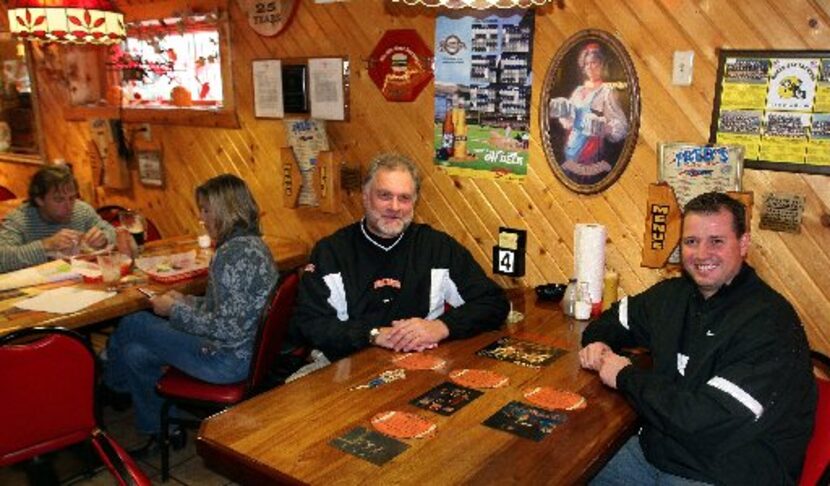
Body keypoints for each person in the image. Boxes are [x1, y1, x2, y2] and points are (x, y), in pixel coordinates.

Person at [579, 192, 816, 485]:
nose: (701, 254)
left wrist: (625, 375)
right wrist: (599, 343)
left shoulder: (770, 323)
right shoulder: (671, 296)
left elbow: (702, 419)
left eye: (716, 241)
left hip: (728, 472)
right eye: (691, 242)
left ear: (743, 244)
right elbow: (609, 322)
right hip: (657, 453)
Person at [103, 174, 278, 455]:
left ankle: (111, 385)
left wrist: (174, 310)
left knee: (134, 322)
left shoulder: (232, 254)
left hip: (227, 360)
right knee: (135, 353)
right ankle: (161, 430)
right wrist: (184, 299)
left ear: (225, 210)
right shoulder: (252, 244)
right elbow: (227, 309)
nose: (202, 217)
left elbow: (226, 328)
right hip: (247, 353)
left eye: (206, 210)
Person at [287, 153, 509, 366]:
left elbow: (494, 303)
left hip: (424, 364)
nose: (394, 207)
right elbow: (309, 323)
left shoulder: (438, 248)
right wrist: (373, 334)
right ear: (365, 196)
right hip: (347, 365)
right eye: (384, 196)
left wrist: (442, 327)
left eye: (404, 198)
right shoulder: (331, 252)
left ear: (414, 201)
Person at [0, 164, 116, 273]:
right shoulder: (18, 220)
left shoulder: (82, 210)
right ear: (39, 199)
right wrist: (46, 245)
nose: (69, 206)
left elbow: (112, 232)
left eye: (72, 198)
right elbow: (2, 259)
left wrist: (104, 239)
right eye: (59, 200)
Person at [549, 42, 628, 179]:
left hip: (592, 150)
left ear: (601, 64)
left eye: (594, 63)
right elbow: (569, 121)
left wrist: (605, 128)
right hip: (571, 145)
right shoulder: (579, 91)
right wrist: (564, 111)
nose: (590, 67)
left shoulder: (606, 92)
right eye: (586, 64)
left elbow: (621, 126)